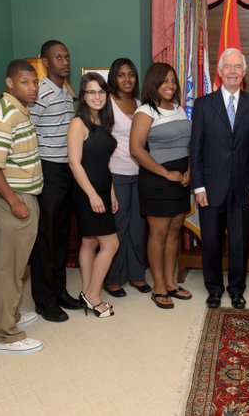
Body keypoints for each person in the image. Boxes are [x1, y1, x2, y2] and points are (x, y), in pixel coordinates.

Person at [0, 59, 44, 354]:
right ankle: (5, 335)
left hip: (24, 197)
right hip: (13, 201)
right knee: (6, 270)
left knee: (17, 266)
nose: (32, 88)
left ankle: (11, 316)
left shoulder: (21, 111)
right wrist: (15, 201)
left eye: (34, 82)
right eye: (25, 82)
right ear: (9, 83)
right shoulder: (5, 115)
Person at [190, 48, 249, 309]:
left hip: (243, 188)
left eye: (237, 67)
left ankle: (236, 288)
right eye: (227, 67)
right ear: (219, 72)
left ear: (244, 72)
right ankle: (213, 288)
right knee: (210, 240)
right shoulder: (203, 104)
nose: (232, 71)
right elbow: (195, 148)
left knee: (239, 241)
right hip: (210, 187)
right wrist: (198, 186)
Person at [130, 63, 192, 309]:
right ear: (153, 83)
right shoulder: (145, 111)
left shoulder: (180, 110)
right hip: (157, 180)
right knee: (159, 234)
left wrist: (188, 172)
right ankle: (158, 286)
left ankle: (170, 282)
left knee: (175, 231)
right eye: (165, 80)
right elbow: (135, 149)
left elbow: (187, 145)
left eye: (173, 80)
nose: (170, 85)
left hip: (180, 180)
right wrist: (167, 173)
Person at [29, 40, 82, 322]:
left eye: (67, 56)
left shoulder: (65, 92)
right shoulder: (39, 93)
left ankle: (60, 291)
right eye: (57, 57)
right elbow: (29, 132)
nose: (64, 61)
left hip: (67, 171)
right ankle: (44, 300)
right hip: (47, 171)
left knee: (62, 237)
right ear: (45, 62)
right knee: (45, 239)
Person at [68, 72, 119, 318]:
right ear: (83, 95)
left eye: (101, 92)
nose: (97, 96)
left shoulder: (102, 122)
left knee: (89, 241)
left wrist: (110, 193)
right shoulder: (78, 123)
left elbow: (104, 163)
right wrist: (92, 196)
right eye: (91, 92)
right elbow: (75, 164)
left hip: (101, 189)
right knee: (111, 244)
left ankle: (86, 291)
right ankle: (94, 296)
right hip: (86, 191)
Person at [103, 58, 150, 298]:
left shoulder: (141, 105)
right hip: (116, 175)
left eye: (131, 74)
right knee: (119, 226)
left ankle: (136, 275)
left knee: (137, 226)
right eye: (121, 75)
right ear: (114, 77)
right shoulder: (107, 104)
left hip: (139, 174)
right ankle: (113, 279)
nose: (127, 79)